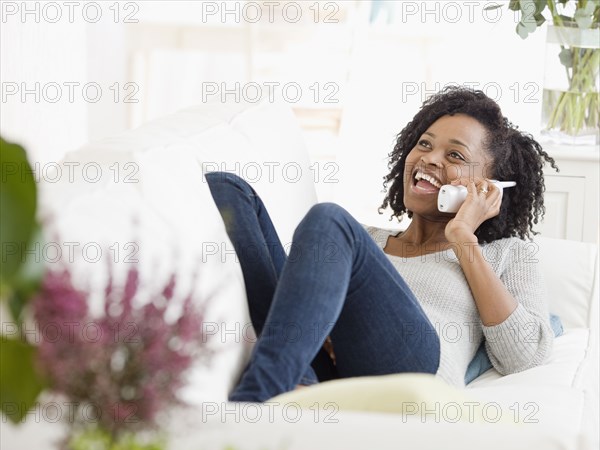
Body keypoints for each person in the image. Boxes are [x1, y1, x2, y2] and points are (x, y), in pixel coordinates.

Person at [205, 86, 558, 403]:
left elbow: (526, 356)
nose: (430, 159)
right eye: (424, 144)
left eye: (455, 156)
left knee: (329, 219)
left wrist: (464, 239)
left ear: (490, 186)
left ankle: (254, 399)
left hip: (414, 370)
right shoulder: (360, 241)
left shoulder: (505, 254)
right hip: (326, 364)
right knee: (229, 190)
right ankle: (300, 384)